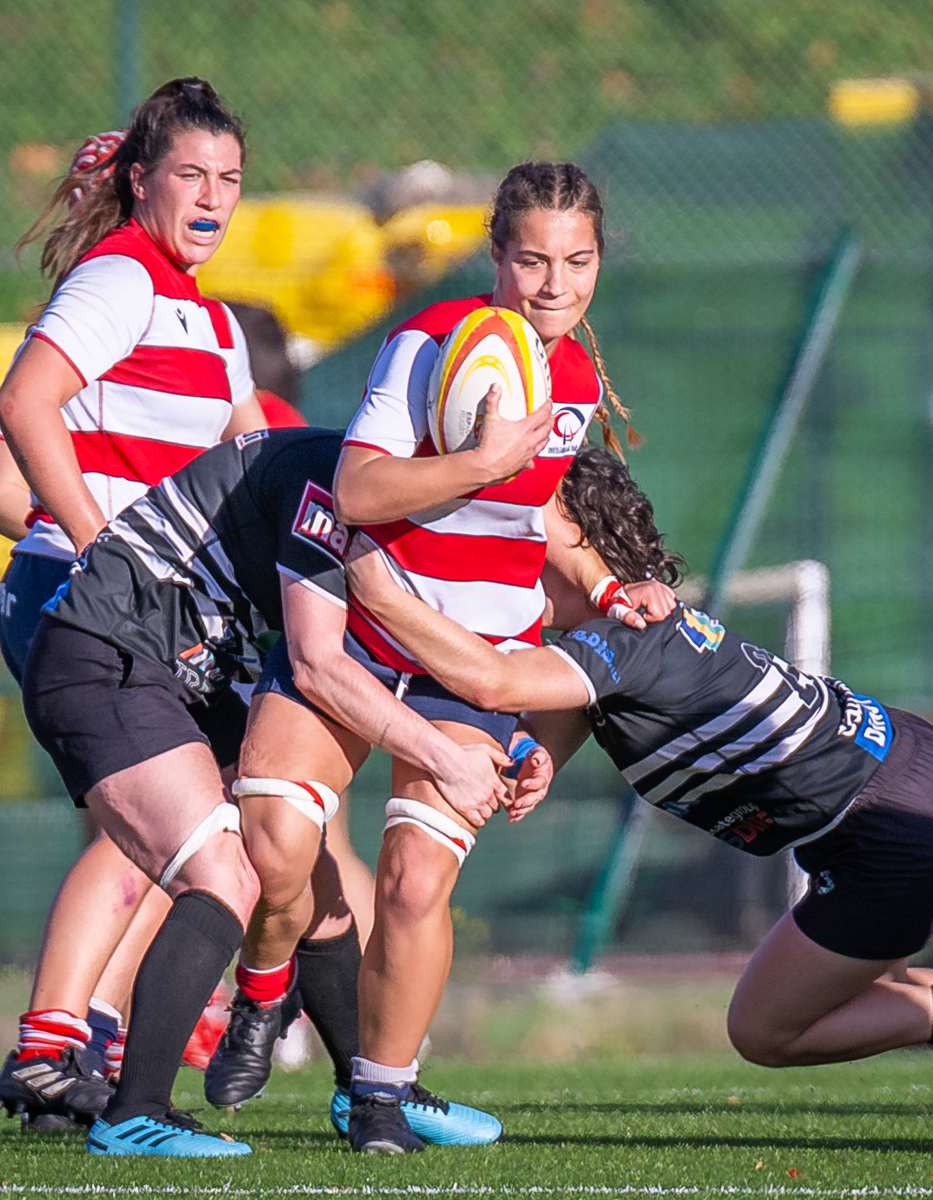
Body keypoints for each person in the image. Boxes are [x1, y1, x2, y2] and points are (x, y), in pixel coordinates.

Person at [343, 447, 933, 1147]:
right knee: (830, 993)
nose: (509, 565)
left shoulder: (625, 636)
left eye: (519, 542)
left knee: (762, 1028)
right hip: (901, 785)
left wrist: (375, 586)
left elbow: (491, 678)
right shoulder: (630, 630)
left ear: (575, 544)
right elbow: (578, 710)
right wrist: (541, 757)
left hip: (890, 831)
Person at [217, 160, 676, 1155]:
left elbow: (540, 511)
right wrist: (479, 463)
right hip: (363, 635)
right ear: (495, 255)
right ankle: (262, 990)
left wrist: (604, 588)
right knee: (274, 845)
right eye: (532, 260)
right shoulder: (427, 344)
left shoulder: (579, 378)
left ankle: (379, 1096)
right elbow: (359, 491)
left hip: (471, 657)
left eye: (577, 261)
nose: (554, 284)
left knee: (415, 882)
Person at [20, 425, 515, 1157]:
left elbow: (411, 642)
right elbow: (318, 664)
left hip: (185, 673)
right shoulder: (330, 478)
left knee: (303, 865)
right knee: (223, 872)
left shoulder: (395, 502)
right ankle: (135, 1109)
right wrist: (446, 758)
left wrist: (518, 733)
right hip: (112, 656)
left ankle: (369, 1093)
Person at [0, 79, 269, 1131]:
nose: (213, 197)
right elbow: (21, 410)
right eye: (191, 174)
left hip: (148, 613)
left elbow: (257, 460)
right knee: (177, 834)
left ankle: (66, 1044)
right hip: (79, 602)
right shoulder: (120, 282)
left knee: (173, 829)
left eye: (230, 179)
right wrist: (112, 554)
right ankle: (86, 1042)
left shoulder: (212, 321)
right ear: (141, 180)